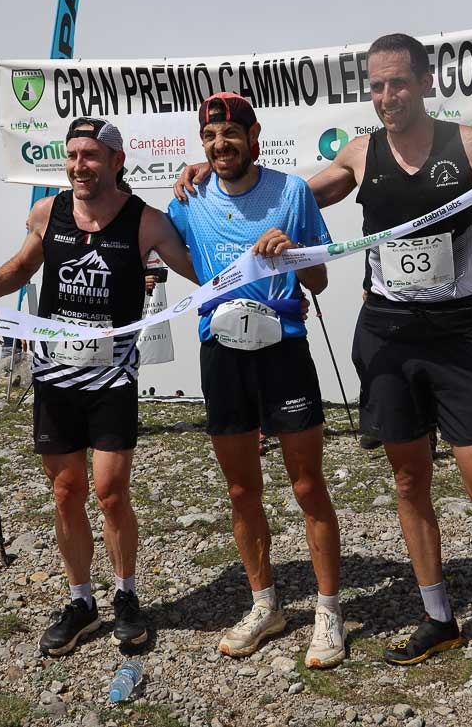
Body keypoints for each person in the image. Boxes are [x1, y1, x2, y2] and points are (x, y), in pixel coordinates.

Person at [177, 33, 472, 677]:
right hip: (385, 336)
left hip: (453, 335)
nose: (387, 97)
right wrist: (207, 174)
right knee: (409, 482)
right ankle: (437, 617)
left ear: (425, 83)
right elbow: (284, 195)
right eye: (377, 87)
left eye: (398, 84)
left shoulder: (470, 145)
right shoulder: (360, 154)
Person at [0, 117, 197, 657]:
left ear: (116, 162)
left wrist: (265, 281)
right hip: (55, 377)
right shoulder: (49, 212)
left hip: (112, 375)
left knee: (110, 492)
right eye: (71, 155)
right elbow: (22, 266)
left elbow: (201, 273)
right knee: (66, 492)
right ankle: (81, 599)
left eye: (90, 155)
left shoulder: (146, 222)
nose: (78, 165)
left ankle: (127, 595)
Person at [166, 93, 346, 668]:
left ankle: (328, 609)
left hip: (284, 350)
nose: (221, 146)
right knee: (241, 490)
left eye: (231, 135)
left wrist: (291, 253)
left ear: (254, 135)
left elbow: (318, 280)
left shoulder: (291, 191)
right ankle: (265, 603)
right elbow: (169, 251)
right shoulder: (190, 199)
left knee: (306, 484)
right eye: (210, 138)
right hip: (222, 353)